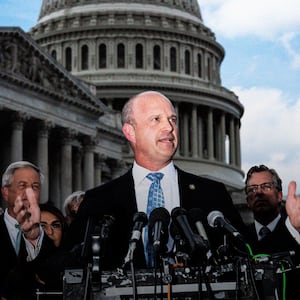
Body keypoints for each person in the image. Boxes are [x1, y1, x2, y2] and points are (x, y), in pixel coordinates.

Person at [65, 90, 248, 274]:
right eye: (156, 119)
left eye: (173, 120)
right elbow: (65, 265)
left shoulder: (212, 194)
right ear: (130, 132)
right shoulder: (99, 200)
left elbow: (248, 253)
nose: (169, 127)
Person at [0, 161, 57, 299]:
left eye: (35, 187)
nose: (29, 192)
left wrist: (33, 240)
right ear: (6, 192)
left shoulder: (49, 241)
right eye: (22, 186)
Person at [244, 164, 300, 300]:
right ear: (247, 202)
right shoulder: (241, 240)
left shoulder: (294, 231)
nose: (258, 193)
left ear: (280, 195)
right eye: (252, 189)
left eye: (266, 186)